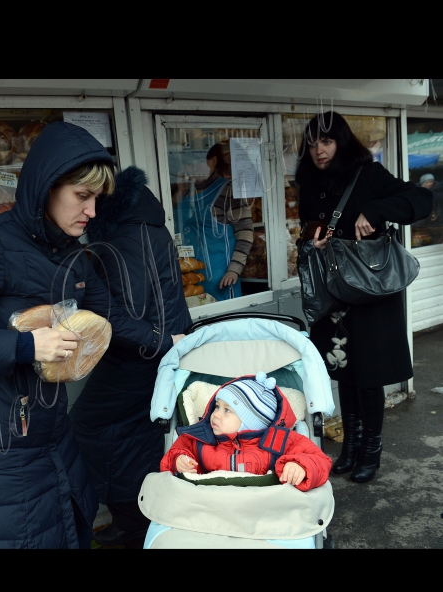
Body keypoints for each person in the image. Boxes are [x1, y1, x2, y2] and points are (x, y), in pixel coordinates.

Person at [0, 121, 185, 549]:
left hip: (51, 429)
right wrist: (26, 345)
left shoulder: (70, 251)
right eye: (82, 197)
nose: (92, 211)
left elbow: (108, 314)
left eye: (97, 199)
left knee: (70, 524)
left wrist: (166, 341)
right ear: (47, 188)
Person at [296, 111, 433, 483]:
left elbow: (421, 200)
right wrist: (313, 239)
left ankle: (371, 449)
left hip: (371, 291)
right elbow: (308, 227)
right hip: (334, 293)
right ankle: (352, 447)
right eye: (311, 144)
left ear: (341, 141)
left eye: (325, 142)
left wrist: (374, 210)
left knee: (369, 374)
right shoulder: (310, 181)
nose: (318, 151)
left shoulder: (368, 174)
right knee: (345, 372)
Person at [68, 166, 192, 547]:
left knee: (94, 428)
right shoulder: (143, 220)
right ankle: (139, 523)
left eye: (89, 200)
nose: (85, 211)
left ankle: (134, 526)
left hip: (143, 352)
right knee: (136, 433)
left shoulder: (121, 232)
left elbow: (128, 309)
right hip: (157, 347)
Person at [160, 372, 332, 491]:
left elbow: (320, 461)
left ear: (252, 423)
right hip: (212, 507)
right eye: (217, 407)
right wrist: (179, 460)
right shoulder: (200, 439)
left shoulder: (280, 442)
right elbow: (177, 450)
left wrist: (300, 466)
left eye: (227, 410)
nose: (216, 415)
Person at [172, 142, 254, 301]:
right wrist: (180, 192)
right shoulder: (186, 192)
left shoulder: (229, 190)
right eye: (188, 162)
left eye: (198, 161)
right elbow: (171, 221)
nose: (193, 167)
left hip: (222, 280)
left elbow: (245, 234)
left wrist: (234, 270)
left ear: (213, 161)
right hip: (191, 280)